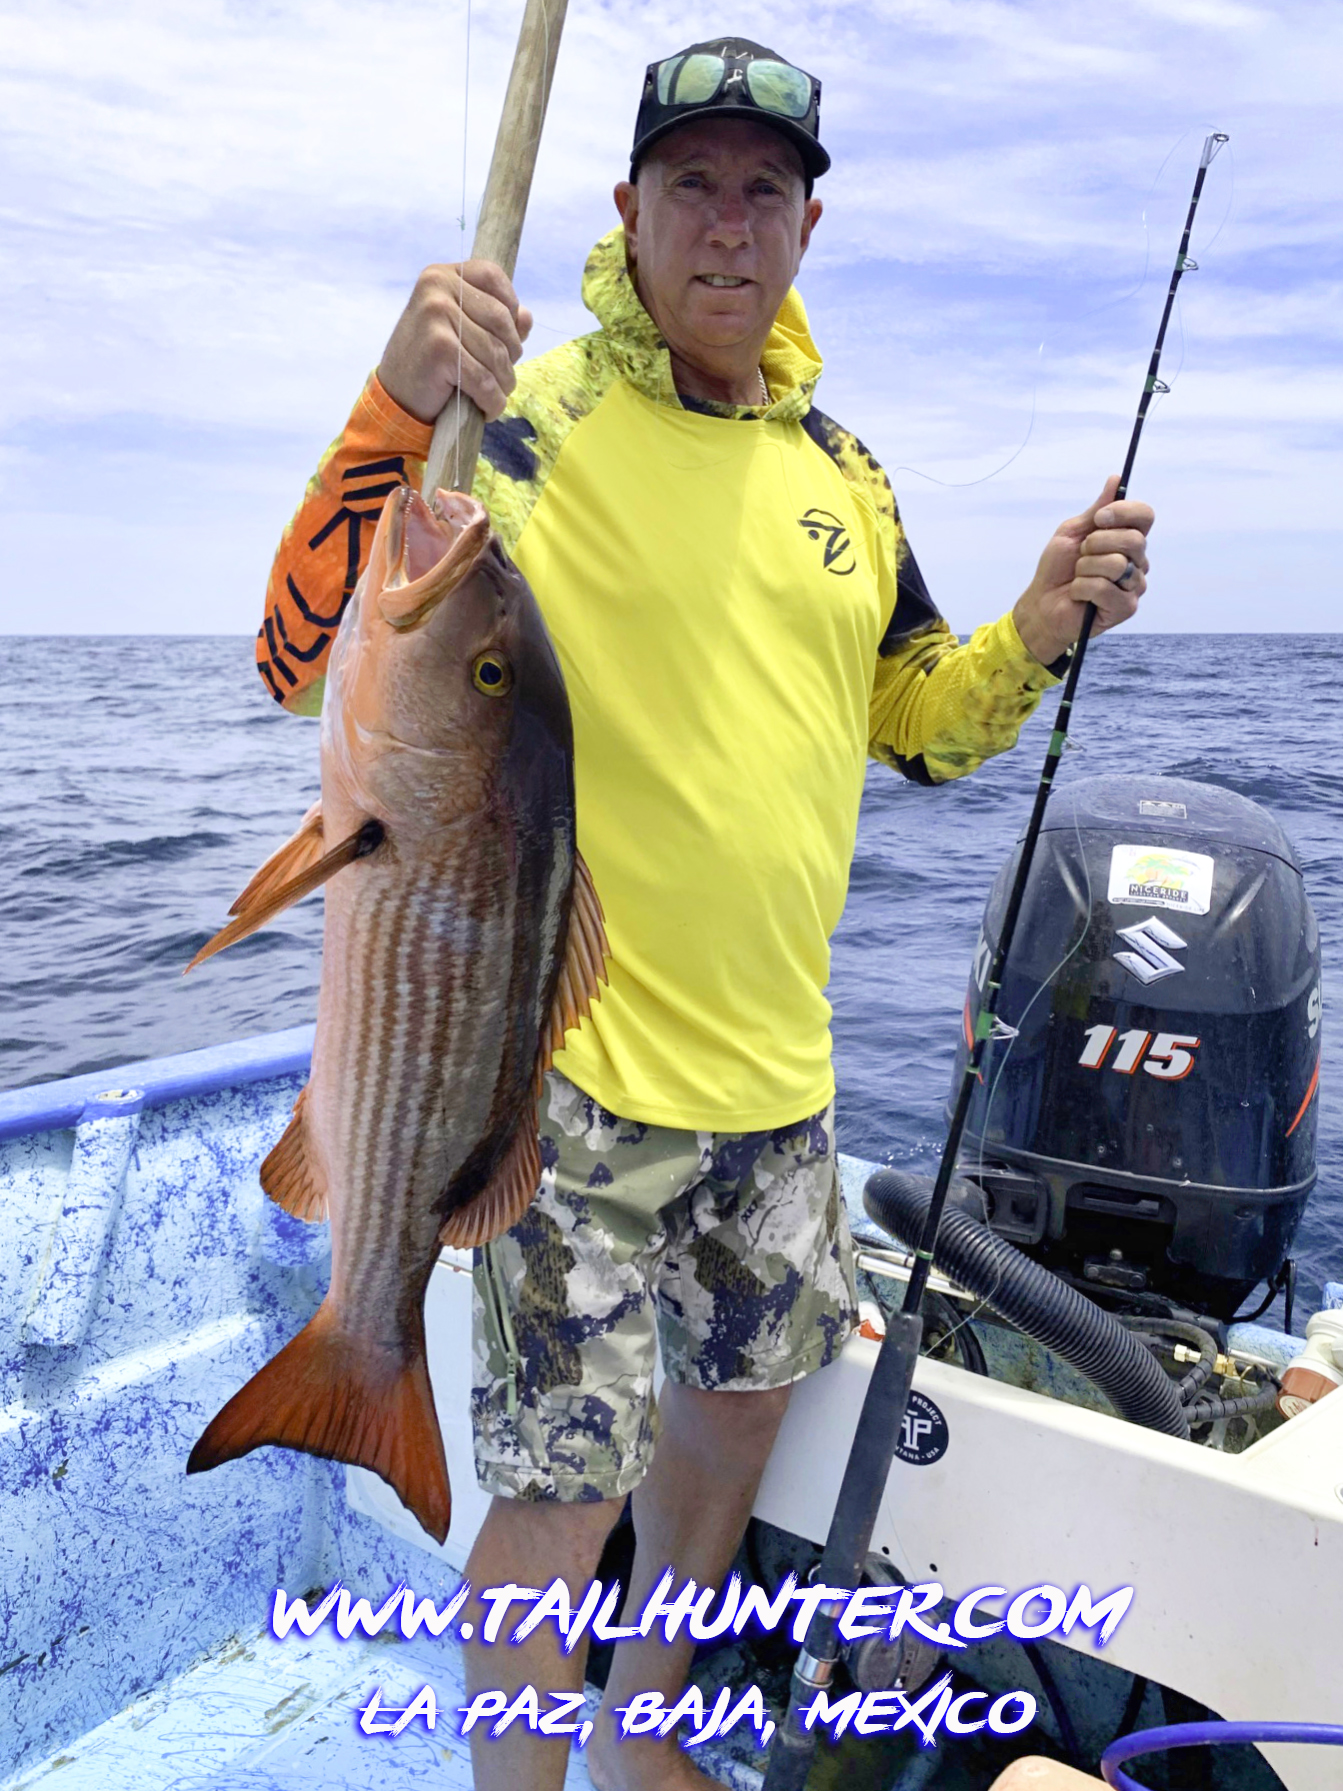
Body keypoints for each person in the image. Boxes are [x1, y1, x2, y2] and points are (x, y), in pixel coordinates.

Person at [257, 37, 1153, 1791]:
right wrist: (394, 400)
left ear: (810, 226)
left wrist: (1039, 629)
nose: (728, 226)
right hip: (573, 1086)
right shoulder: (528, 421)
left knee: (729, 1445)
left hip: (781, 1092)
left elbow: (921, 724)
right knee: (560, 1498)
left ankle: (638, 1739)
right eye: (692, 186)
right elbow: (302, 654)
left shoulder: (849, 476)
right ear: (628, 209)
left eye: (763, 191)